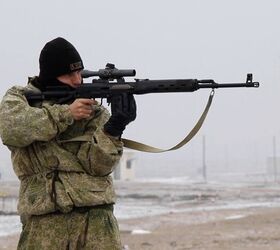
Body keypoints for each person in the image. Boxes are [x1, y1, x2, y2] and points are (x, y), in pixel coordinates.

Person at [0, 37, 136, 250]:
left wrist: (114, 128)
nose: (77, 80)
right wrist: (66, 114)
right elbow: (11, 130)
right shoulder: (20, 99)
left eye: (79, 73)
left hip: (96, 220)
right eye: (69, 74)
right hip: (44, 221)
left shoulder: (93, 111)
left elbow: (98, 166)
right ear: (50, 76)